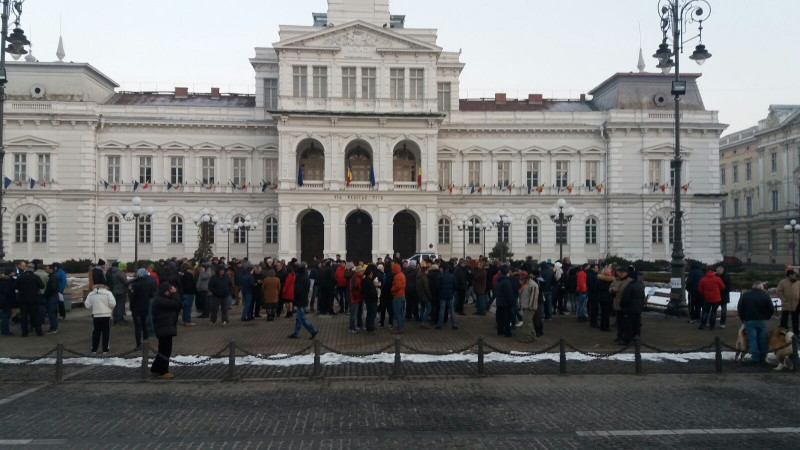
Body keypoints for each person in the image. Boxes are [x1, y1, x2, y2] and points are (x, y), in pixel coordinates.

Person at [737, 282, 775, 364]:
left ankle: (755, 358)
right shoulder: (765, 295)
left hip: (749, 320)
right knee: (762, 339)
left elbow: (740, 307)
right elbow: (771, 309)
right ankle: (762, 357)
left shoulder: (745, 295)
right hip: (761, 320)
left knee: (752, 340)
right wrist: (767, 316)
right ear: (761, 287)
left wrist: (742, 318)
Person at [150, 282, 182, 379]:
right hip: (164, 327)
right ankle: (163, 371)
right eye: (169, 291)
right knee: (165, 350)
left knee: (163, 349)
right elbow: (177, 305)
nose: (170, 293)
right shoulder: (161, 300)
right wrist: (175, 293)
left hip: (165, 326)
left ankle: (155, 368)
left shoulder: (161, 298)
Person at [84, 282, 116, 354]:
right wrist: (109, 308)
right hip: (106, 315)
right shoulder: (108, 293)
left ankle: (94, 349)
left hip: (96, 315)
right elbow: (113, 303)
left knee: (96, 332)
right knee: (106, 332)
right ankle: (105, 349)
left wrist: (93, 307)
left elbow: (87, 305)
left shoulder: (91, 294)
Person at [288, 262, 317, 339]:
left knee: (301, 318)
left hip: (300, 299)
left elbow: (298, 290)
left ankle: (313, 330)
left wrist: (294, 294)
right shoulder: (304, 275)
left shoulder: (301, 277)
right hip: (302, 299)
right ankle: (295, 333)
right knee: (298, 318)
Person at [129, 268, 156, 349]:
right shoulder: (148, 283)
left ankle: (138, 344)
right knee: (144, 325)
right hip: (145, 305)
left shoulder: (135, 284)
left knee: (137, 326)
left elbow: (132, 297)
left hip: (136, 307)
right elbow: (151, 295)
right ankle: (146, 341)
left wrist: (131, 305)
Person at [619, 266, 645, 344]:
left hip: (630, 308)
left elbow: (625, 297)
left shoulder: (630, 286)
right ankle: (636, 338)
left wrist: (622, 305)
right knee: (637, 324)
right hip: (638, 308)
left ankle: (627, 339)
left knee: (629, 324)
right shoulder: (640, 285)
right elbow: (642, 296)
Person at [16, 266, 45, 337]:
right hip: (34, 299)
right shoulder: (36, 277)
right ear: (32, 270)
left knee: (24, 317)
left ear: (25, 270)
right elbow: (42, 286)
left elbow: (15, 286)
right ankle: (39, 332)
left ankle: (24, 333)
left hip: (23, 300)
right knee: (35, 316)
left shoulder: (20, 277)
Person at [610, 267, 633, 345]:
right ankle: (619, 336)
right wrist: (612, 289)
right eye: (619, 272)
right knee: (619, 322)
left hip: (625, 305)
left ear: (626, 273)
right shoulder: (616, 280)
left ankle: (624, 337)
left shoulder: (630, 281)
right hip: (617, 304)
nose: (621, 274)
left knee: (625, 323)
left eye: (622, 272)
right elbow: (609, 288)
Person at [518, 271, 540, 343]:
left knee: (526, 322)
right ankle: (533, 336)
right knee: (529, 322)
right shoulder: (526, 283)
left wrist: (531, 306)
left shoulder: (532, 285)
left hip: (529, 306)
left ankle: (528, 337)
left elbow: (534, 297)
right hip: (526, 305)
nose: (520, 279)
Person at [435, 264, 458, 330]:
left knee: (442, 310)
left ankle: (440, 324)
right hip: (450, 295)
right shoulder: (452, 276)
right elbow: (455, 286)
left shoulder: (440, 276)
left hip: (442, 295)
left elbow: (437, 286)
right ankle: (454, 325)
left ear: (442, 269)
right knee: (451, 310)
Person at [777, 269, 799, 335]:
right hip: (786, 303)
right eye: (793, 274)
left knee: (795, 319)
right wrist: (783, 299)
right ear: (789, 275)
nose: (794, 276)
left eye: (795, 274)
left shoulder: (798, 282)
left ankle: (796, 332)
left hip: (796, 303)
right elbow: (779, 291)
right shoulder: (782, 282)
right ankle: (783, 331)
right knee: (784, 318)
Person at [494, 266, 515, 337]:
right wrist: (512, 302)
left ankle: (500, 331)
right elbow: (509, 293)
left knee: (500, 318)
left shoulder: (498, 279)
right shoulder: (506, 281)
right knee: (507, 318)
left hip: (499, 302)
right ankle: (507, 332)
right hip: (506, 303)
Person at [596, 268, 615, 332]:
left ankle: (602, 326)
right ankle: (607, 326)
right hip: (609, 297)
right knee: (607, 313)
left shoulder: (599, 279)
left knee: (603, 312)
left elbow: (597, 288)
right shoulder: (611, 280)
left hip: (601, 297)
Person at [390, 262, 407, 334]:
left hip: (398, 296)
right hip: (402, 295)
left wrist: (391, 289)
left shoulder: (397, 276)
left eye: (393, 269)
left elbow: (397, 286)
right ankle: (401, 327)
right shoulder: (402, 274)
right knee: (401, 312)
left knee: (398, 313)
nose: (392, 271)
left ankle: (400, 328)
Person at [43, 264, 60, 334]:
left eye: (47, 269)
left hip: (52, 297)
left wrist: (46, 294)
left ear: (51, 269)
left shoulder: (53, 277)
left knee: (51, 313)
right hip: (53, 296)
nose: (46, 270)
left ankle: (54, 328)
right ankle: (53, 327)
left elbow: (53, 288)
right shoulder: (53, 276)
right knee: (52, 313)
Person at [362, 265, 379, 332]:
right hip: (372, 300)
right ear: (369, 274)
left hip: (367, 299)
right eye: (371, 273)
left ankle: (367, 326)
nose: (372, 275)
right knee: (372, 314)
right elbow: (373, 292)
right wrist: (376, 297)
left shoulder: (364, 280)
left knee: (369, 313)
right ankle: (371, 327)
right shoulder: (369, 281)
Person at [416, 263, 433, 328]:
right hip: (425, 296)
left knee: (422, 308)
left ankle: (421, 321)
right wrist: (430, 296)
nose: (428, 272)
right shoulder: (424, 278)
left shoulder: (418, 276)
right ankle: (423, 322)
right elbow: (426, 288)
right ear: (425, 271)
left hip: (420, 295)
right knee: (429, 309)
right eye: (427, 270)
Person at [348, 267, 364, 333]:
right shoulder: (358, 279)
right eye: (361, 271)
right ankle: (352, 328)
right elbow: (360, 289)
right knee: (354, 314)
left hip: (354, 298)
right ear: (358, 272)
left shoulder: (353, 278)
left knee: (356, 313)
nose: (362, 272)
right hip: (356, 298)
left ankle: (358, 325)